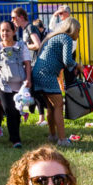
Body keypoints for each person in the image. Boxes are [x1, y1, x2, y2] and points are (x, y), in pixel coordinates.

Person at [32, 17, 80, 146]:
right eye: (78, 31)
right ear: (73, 29)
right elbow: (68, 60)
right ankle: (62, 139)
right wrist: (77, 65)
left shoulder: (54, 36)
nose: (79, 35)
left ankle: (52, 135)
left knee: (50, 107)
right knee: (59, 105)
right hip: (47, 75)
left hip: (38, 73)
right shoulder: (67, 38)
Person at [0, 20, 31, 148]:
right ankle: (16, 140)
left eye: (8, 30)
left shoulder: (21, 46)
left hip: (20, 85)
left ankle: (14, 135)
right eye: (2, 30)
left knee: (17, 111)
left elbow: (27, 63)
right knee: (9, 110)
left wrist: (28, 79)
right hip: (4, 85)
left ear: (14, 31)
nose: (5, 33)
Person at [10, 6, 46, 125]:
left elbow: (37, 44)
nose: (12, 20)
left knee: (35, 91)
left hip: (36, 63)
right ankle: (39, 114)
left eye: (14, 18)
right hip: (31, 63)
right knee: (33, 91)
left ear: (21, 17)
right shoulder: (24, 29)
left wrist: (24, 47)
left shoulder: (30, 27)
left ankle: (42, 117)